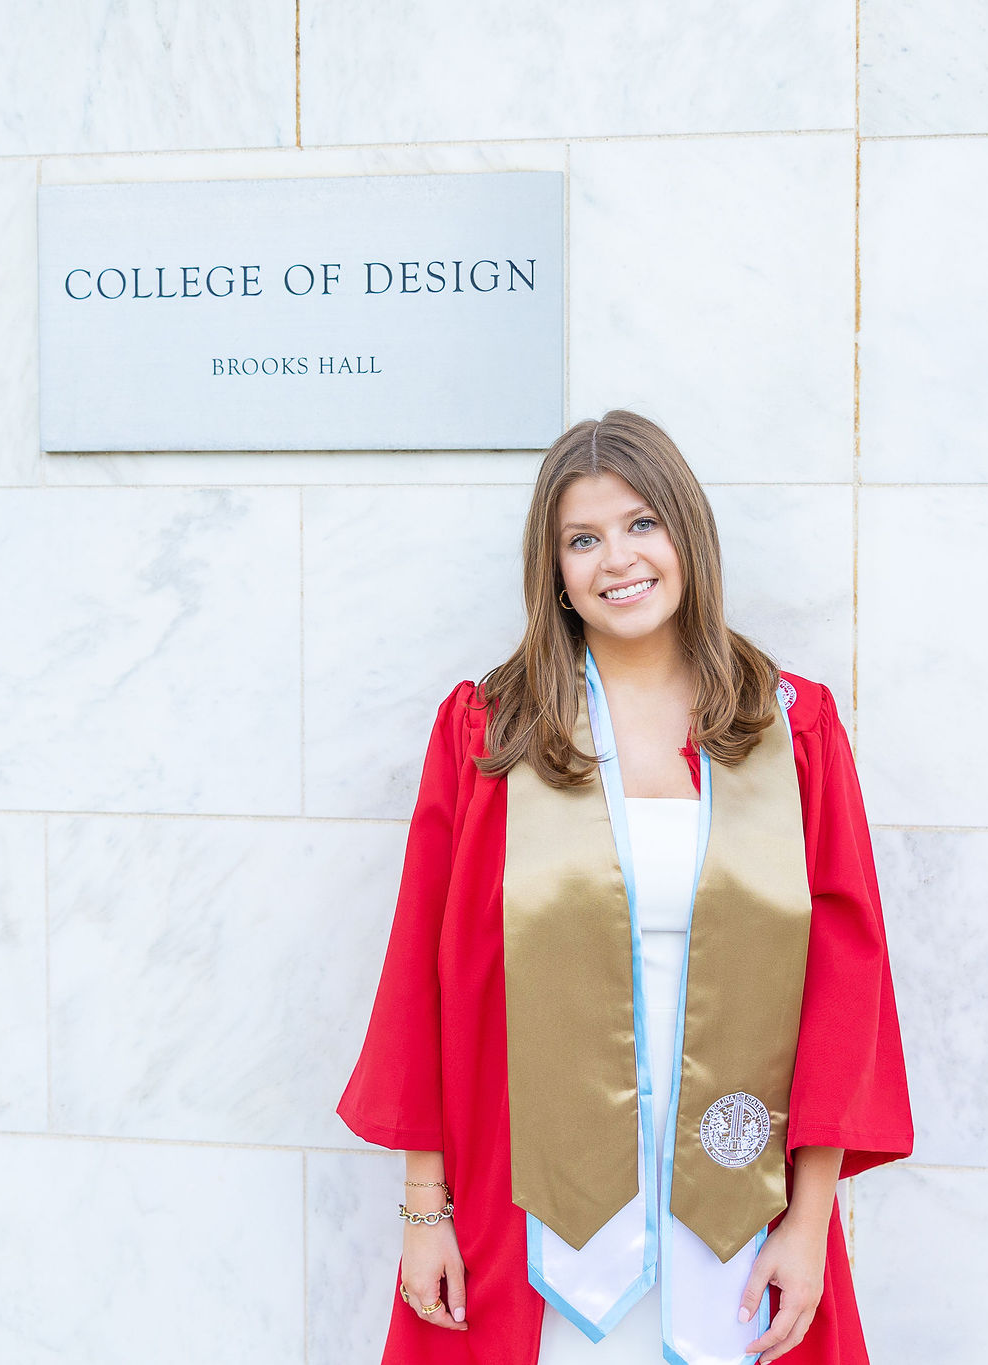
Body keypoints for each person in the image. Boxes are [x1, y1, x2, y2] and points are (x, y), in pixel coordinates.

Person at [338, 411, 913, 1365]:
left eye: (642, 524)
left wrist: (809, 1224)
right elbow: (422, 982)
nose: (618, 559)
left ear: (686, 532)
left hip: (739, 1213)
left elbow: (843, 991)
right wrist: (424, 1209)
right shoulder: (491, 733)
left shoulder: (789, 730)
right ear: (554, 569)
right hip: (528, 1209)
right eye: (583, 538)